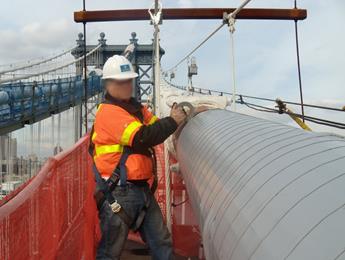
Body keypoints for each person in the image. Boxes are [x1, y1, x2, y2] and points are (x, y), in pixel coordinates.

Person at [89, 55, 186, 260]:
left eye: (128, 80)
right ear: (108, 84)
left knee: (161, 241)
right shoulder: (109, 112)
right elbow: (143, 137)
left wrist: (179, 117)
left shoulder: (136, 110)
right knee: (110, 252)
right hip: (119, 192)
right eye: (120, 81)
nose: (126, 85)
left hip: (141, 189)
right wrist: (173, 121)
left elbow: (158, 125)